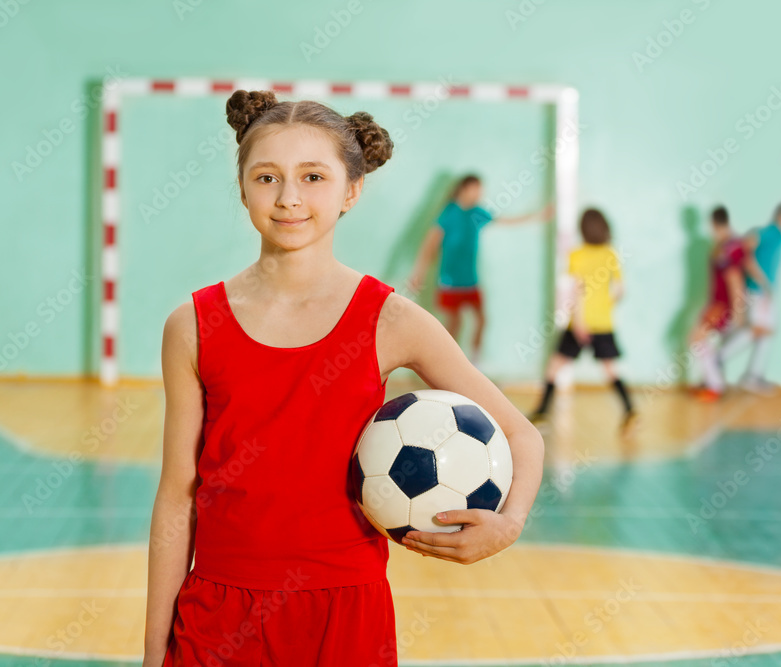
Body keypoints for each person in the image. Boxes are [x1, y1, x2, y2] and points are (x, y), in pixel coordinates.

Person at [143, 90, 545, 667]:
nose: (288, 198)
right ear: (242, 186)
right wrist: (155, 649)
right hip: (218, 612)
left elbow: (522, 435)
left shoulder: (391, 319)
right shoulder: (192, 325)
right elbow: (176, 496)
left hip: (347, 613)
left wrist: (507, 525)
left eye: (312, 177)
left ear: (351, 191)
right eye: (266, 178)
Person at [407, 174, 552, 367]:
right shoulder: (449, 213)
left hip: (471, 280)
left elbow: (507, 221)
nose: (479, 193)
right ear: (464, 189)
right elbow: (430, 245)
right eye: (476, 189)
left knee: (482, 320)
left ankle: (473, 363)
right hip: (450, 280)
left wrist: (538, 216)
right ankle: (444, 364)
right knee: (454, 324)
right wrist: (419, 273)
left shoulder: (477, 213)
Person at [526, 208, 635, 432]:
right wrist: (606, 306)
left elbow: (577, 291)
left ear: (582, 230)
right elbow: (621, 290)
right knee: (611, 370)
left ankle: (541, 413)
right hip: (603, 323)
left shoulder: (576, 255)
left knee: (554, 367)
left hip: (579, 322)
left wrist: (579, 322)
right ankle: (631, 413)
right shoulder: (610, 254)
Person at [717, 200, 781, 395]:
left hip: (763, 291)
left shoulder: (778, 236)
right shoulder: (773, 232)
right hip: (758, 290)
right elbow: (747, 244)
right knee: (759, 329)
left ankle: (753, 376)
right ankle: (720, 358)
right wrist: (760, 278)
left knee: (766, 332)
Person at [689, 205, 749, 402]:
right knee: (701, 341)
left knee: (697, 339)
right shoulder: (732, 244)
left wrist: (738, 310)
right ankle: (711, 381)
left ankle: (714, 385)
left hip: (721, 305)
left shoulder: (726, 249)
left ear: (714, 224)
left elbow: (735, 279)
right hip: (719, 303)